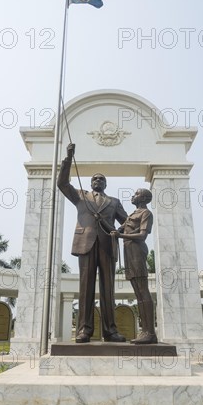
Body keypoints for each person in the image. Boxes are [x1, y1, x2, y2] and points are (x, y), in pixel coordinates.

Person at [57, 143, 128, 343]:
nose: (98, 180)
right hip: (85, 243)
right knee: (85, 288)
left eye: (102, 179)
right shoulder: (80, 196)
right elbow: (62, 184)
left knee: (108, 289)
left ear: (105, 184)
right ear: (91, 183)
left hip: (107, 245)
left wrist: (118, 231)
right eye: (95, 178)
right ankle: (84, 331)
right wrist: (68, 159)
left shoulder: (114, 202)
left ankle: (110, 331)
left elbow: (127, 222)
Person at [112, 189, 158, 344]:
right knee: (138, 292)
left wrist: (121, 235)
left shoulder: (146, 213)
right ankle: (145, 332)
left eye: (136, 194)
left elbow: (142, 236)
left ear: (144, 198)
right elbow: (118, 229)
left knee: (143, 290)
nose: (132, 196)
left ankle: (150, 333)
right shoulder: (132, 214)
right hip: (128, 251)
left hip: (137, 251)